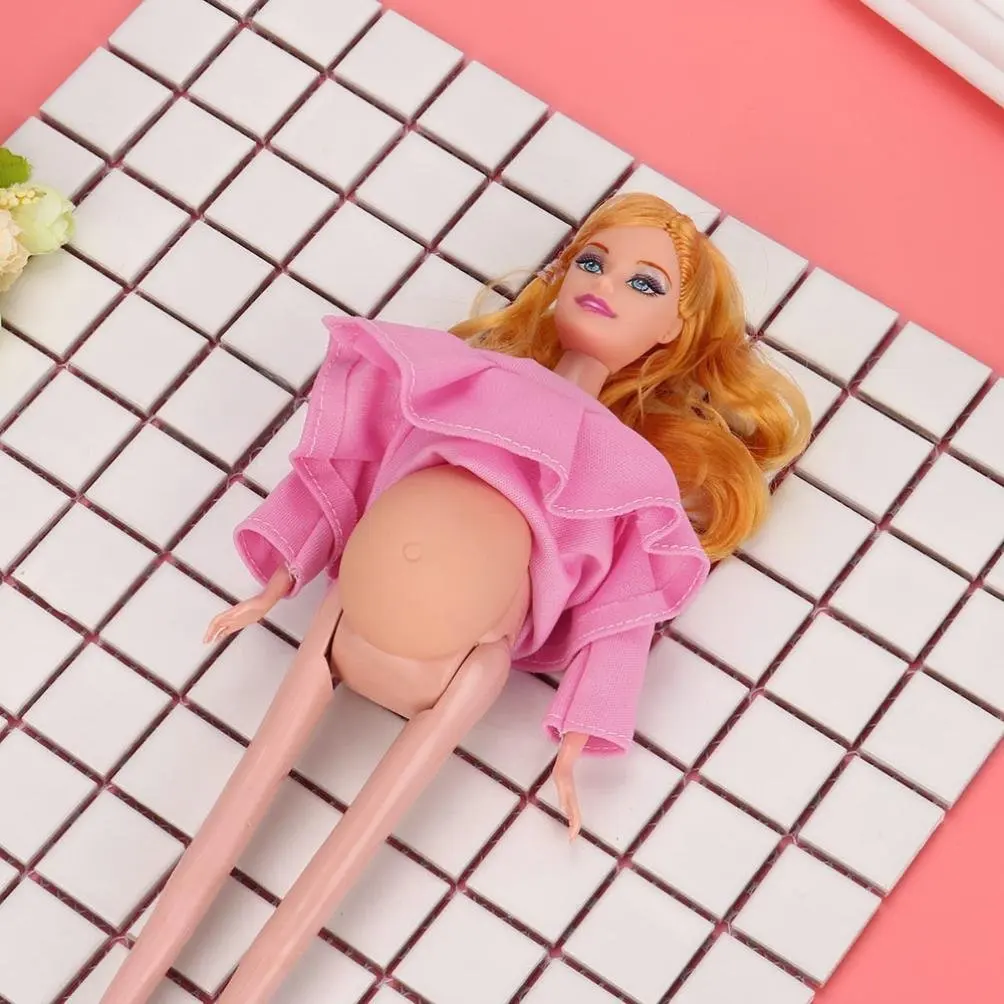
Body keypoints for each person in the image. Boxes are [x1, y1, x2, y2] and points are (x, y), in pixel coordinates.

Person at [100, 192, 809, 1004]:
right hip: (347, 609)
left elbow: (619, 611)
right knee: (229, 818)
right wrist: (280, 577)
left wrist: (579, 734)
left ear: (672, 332)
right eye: (592, 261)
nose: (604, 285)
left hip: (467, 659)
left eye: (644, 284)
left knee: (340, 859)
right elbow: (355, 463)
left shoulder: (625, 468)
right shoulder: (459, 378)